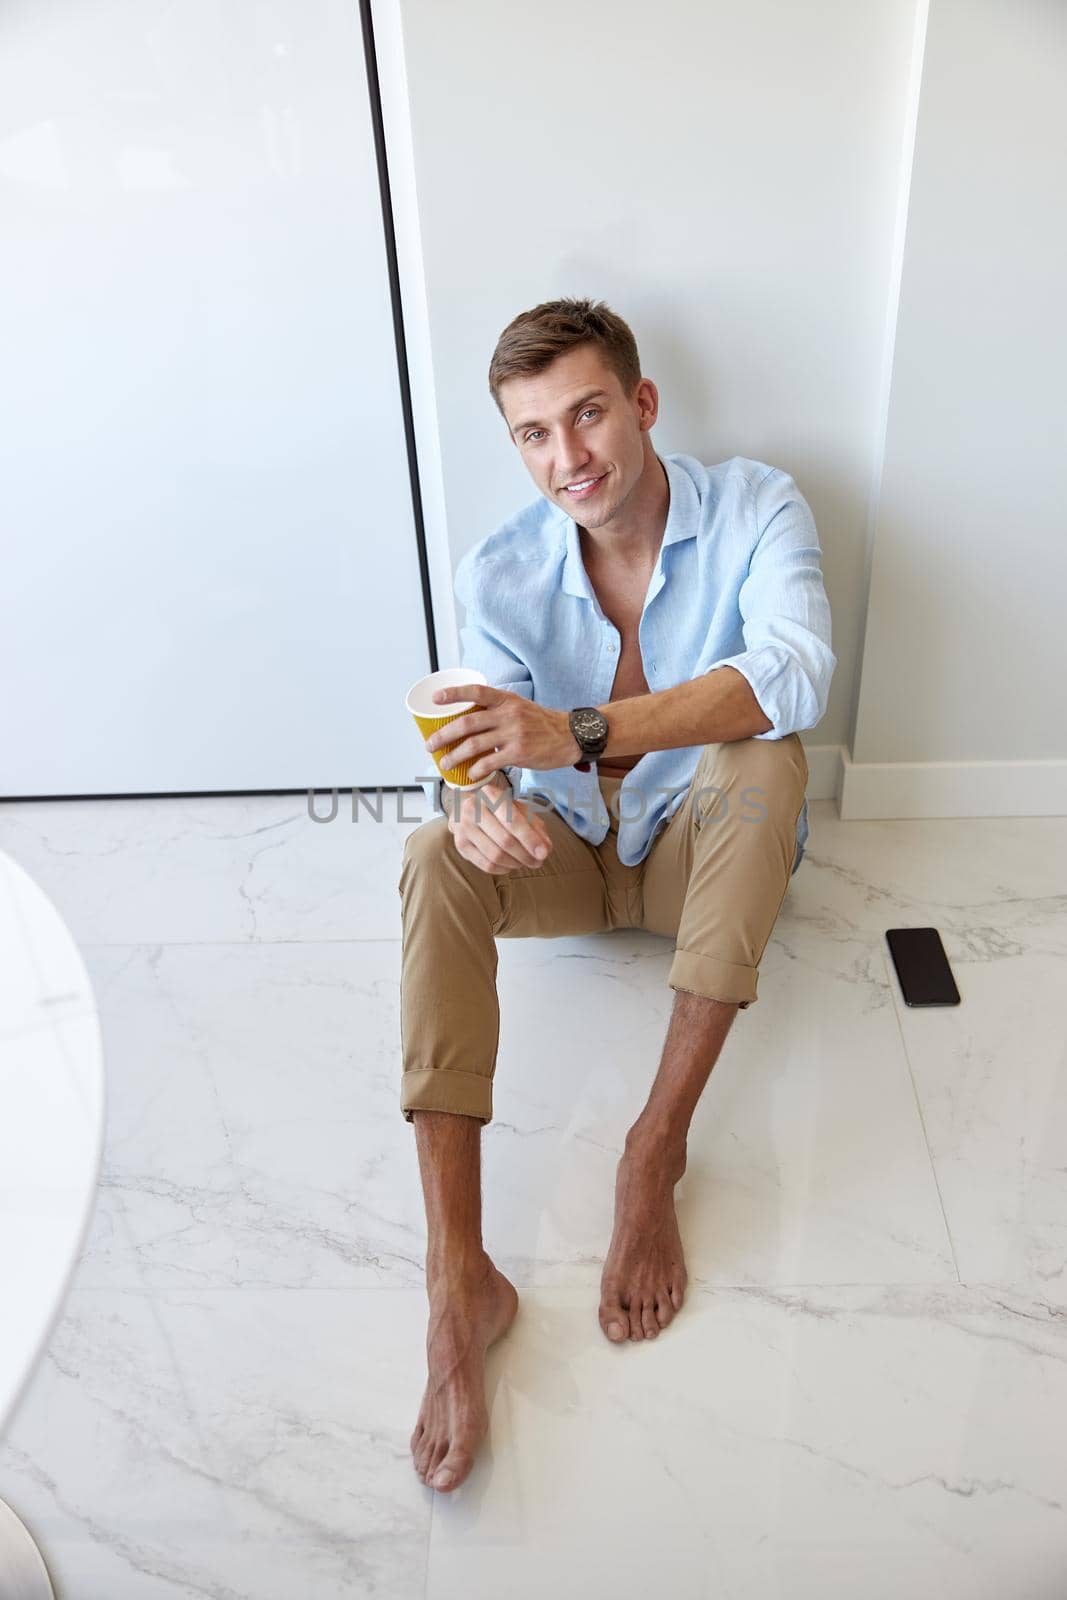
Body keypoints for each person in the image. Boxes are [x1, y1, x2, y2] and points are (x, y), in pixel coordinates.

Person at [400, 296, 836, 1494]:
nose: (567, 458)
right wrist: (472, 804)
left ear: (641, 405)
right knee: (428, 856)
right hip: (577, 864)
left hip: (705, 854)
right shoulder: (497, 569)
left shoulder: (757, 505)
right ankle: (457, 1280)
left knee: (765, 758)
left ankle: (652, 1150)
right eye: (533, 434)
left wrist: (583, 725)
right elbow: (475, 742)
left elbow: (791, 671)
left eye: (586, 414)